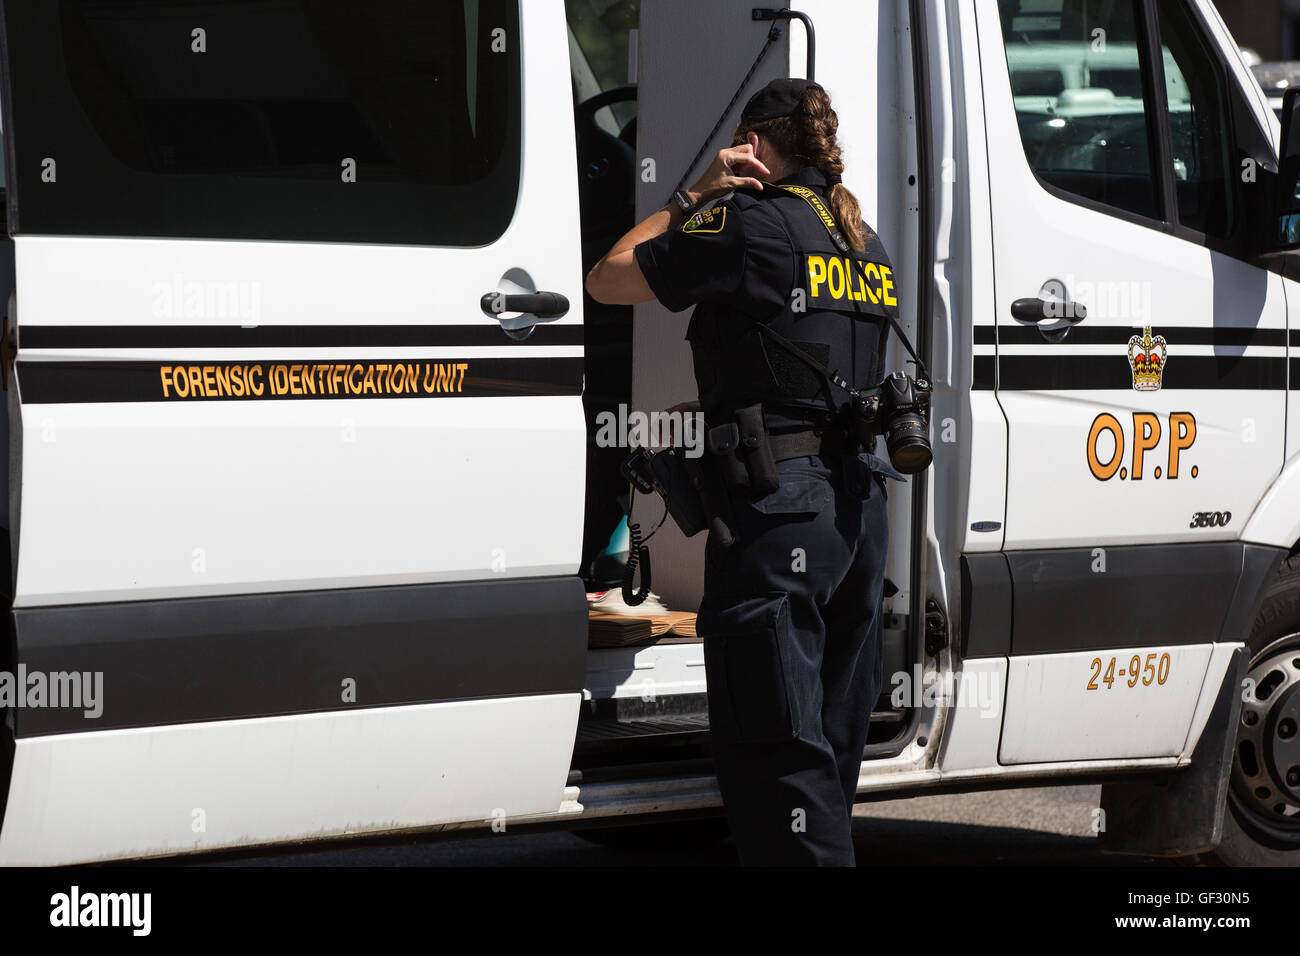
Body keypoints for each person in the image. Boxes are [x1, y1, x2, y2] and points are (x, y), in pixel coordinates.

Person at [586, 77, 904, 866]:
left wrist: (696, 192)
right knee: (825, 758)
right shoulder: (866, 241)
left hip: (779, 514)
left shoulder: (746, 223)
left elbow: (609, 275)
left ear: (756, 144)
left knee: (778, 760)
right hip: (857, 517)